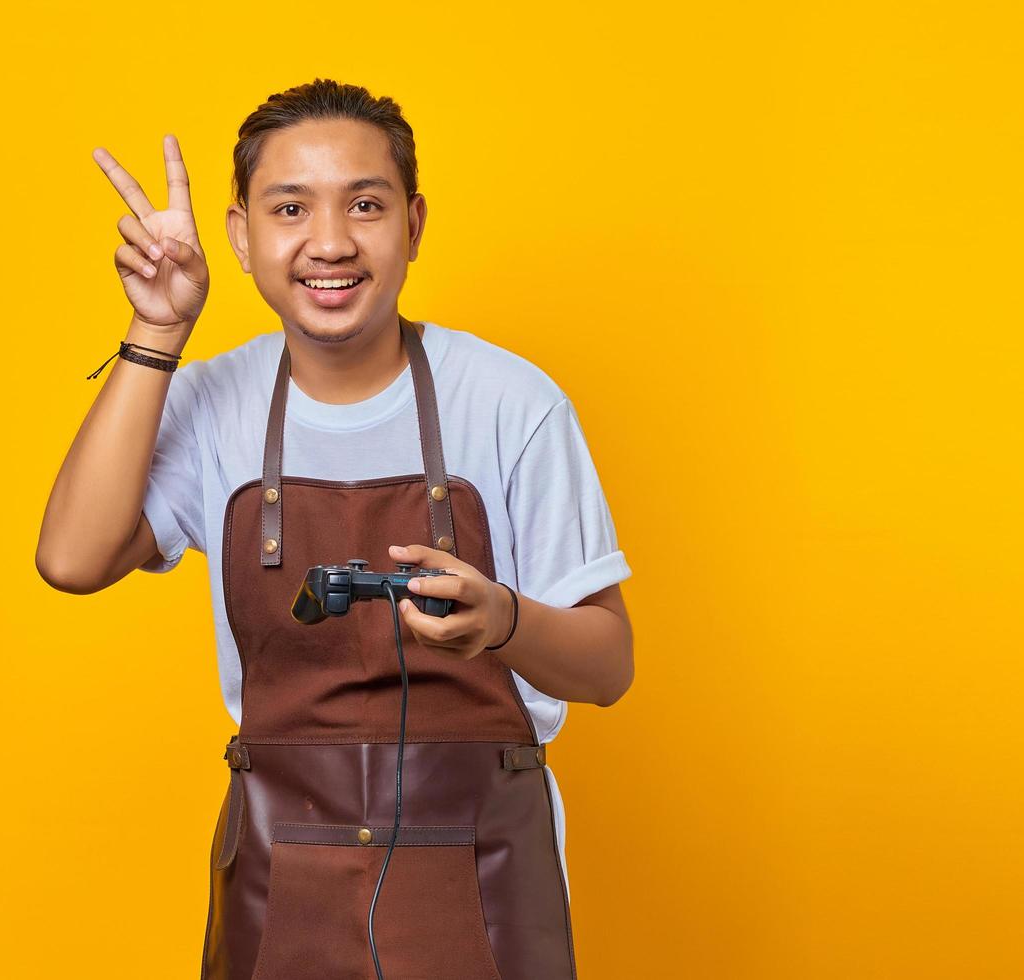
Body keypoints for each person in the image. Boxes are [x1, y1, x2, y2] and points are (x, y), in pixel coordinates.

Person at [37, 78, 634, 980]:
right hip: (283, 883)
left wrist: (503, 621)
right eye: (290, 207)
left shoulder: (514, 402)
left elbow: (609, 665)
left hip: (483, 876)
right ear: (241, 236)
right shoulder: (210, 405)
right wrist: (157, 332)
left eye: (365, 204)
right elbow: (71, 560)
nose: (329, 242)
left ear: (415, 224)